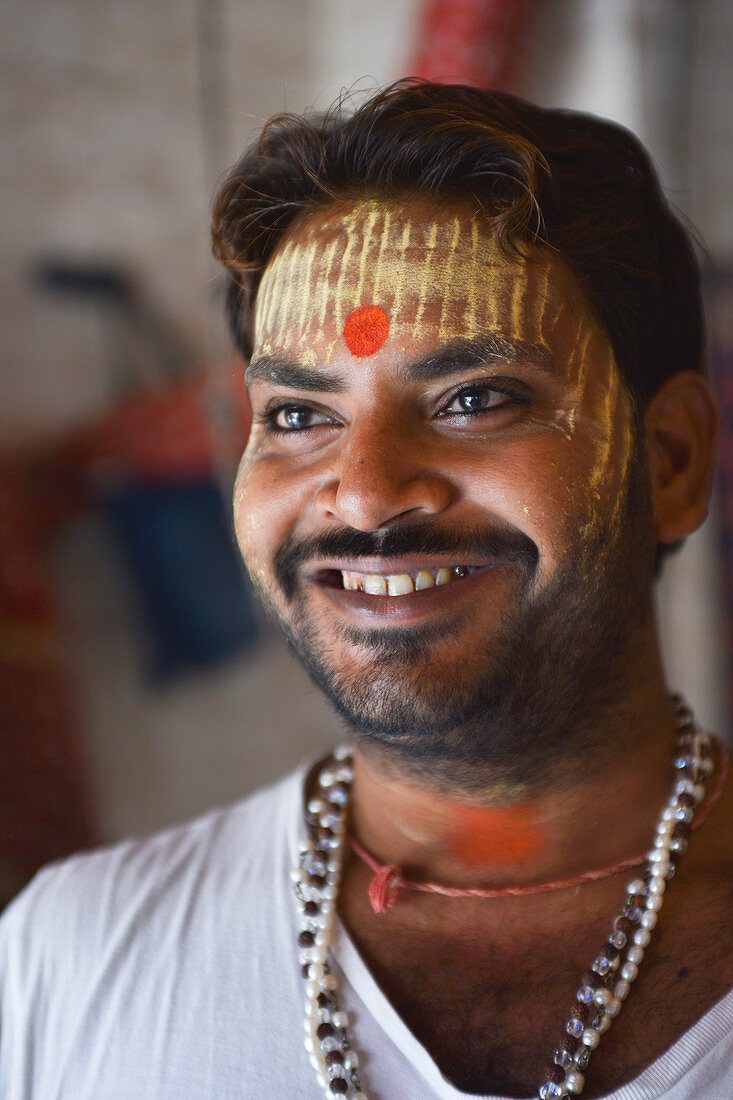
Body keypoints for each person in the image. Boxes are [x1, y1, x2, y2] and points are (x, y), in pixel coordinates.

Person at [1, 80, 731, 1100]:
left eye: (474, 398)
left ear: (673, 458)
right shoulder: (65, 959)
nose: (368, 491)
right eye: (299, 415)